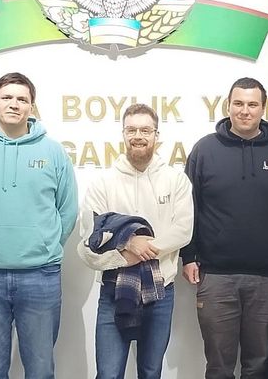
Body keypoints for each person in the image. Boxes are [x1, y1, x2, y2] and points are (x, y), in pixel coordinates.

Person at [0, 72, 78, 379]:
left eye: (22, 99)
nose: (14, 104)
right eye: (7, 97)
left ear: (32, 107)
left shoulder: (53, 152)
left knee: (41, 369)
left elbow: (68, 210)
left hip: (40, 275)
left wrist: (47, 246)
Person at [180, 77, 268, 379]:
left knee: (260, 364)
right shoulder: (204, 150)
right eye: (239, 103)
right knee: (219, 366)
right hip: (217, 275)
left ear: (263, 108)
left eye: (252, 104)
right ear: (228, 105)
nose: (245, 110)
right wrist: (189, 255)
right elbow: (187, 207)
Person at [77, 103, 194, 379]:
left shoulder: (176, 179)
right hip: (113, 291)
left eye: (145, 129)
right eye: (131, 129)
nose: (138, 135)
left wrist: (143, 248)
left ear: (156, 135)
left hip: (160, 290)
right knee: (108, 374)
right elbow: (88, 241)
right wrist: (126, 247)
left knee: (151, 372)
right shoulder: (103, 182)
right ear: (123, 134)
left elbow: (183, 230)